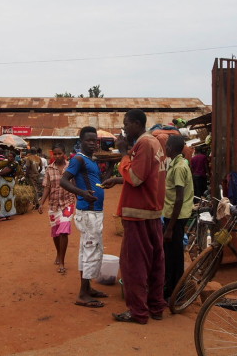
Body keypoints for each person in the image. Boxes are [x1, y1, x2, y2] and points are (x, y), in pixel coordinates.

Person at [102, 109, 167, 324]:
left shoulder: (144, 144)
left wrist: (123, 154)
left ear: (137, 123)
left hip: (138, 214)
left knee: (134, 265)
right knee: (155, 262)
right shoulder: (155, 143)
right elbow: (146, 177)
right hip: (152, 212)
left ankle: (138, 312)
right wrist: (118, 180)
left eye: (126, 123)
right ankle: (156, 307)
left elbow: (136, 177)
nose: (124, 127)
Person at [60, 126, 108, 308]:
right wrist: (82, 193)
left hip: (94, 210)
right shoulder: (78, 159)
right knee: (90, 249)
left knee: (88, 249)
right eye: (88, 140)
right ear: (81, 142)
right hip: (88, 211)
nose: (93, 143)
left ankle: (87, 288)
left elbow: (98, 183)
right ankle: (82, 294)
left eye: (95, 140)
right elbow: (63, 180)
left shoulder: (92, 161)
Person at [163, 135, 194, 300]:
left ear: (171, 148)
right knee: (170, 255)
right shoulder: (175, 164)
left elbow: (179, 198)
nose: (165, 148)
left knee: (175, 257)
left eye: (166, 146)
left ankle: (177, 293)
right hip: (171, 216)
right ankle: (170, 289)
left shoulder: (179, 167)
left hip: (175, 218)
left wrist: (170, 227)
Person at [38, 144, 76, 274]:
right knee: (55, 233)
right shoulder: (49, 168)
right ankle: (59, 254)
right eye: (55, 154)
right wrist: (41, 203)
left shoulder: (71, 167)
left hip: (68, 203)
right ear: (52, 154)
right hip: (53, 204)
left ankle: (62, 263)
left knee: (64, 230)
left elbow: (75, 184)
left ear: (64, 153)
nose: (58, 156)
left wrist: (81, 198)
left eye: (60, 153)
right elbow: (47, 187)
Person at [0, 151, 20, 221]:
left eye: (11, 157)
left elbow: (4, 172)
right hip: (9, 182)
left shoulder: (13, 164)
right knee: (8, 198)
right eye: (8, 156)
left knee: (1, 198)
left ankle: (2, 215)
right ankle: (8, 215)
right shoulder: (13, 163)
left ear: (14, 158)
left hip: (6, 182)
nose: (9, 158)